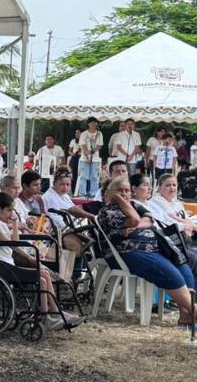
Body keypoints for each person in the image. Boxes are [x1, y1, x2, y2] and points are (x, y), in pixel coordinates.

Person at [97, 177, 194, 328]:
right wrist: (122, 202)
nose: (124, 193)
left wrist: (135, 227)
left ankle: (185, 315)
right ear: (110, 193)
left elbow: (149, 219)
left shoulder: (135, 204)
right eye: (119, 191)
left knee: (183, 266)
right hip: (129, 253)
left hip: (154, 248)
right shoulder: (108, 211)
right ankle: (193, 310)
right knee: (170, 274)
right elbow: (135, 219)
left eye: (127, 190)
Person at [0, 193, 77, 330]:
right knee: (41, 279)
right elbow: (11, 244)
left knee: (45, 275)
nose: (11, 213)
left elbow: (15, 241)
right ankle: (46, 316)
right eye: (8, 210)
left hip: (7, 264)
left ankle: (55, 312)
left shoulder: (1, 223)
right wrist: (28, 257)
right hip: (0, 266)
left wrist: (14, 223)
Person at [42, 169, 95, 254]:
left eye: (68, 185)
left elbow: (73, 210)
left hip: (71, 228)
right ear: (54, 183)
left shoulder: (65, 196)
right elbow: (55, 220)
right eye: (62, 184)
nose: (65, 187)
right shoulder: (49, 197)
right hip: (59, 233)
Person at [77, 117, 103, 198]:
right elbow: (83, 146)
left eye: (95, 122)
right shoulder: (84, 133)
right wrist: (87, 157)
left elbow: (99, 145)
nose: (94, 124)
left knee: (94, 176)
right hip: (84, 158)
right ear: (88, 124)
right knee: (83, 176)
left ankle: (93, 193)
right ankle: (82, 193)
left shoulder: (99, 133)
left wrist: (91, 152)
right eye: (92, 123)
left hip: (95, 158)